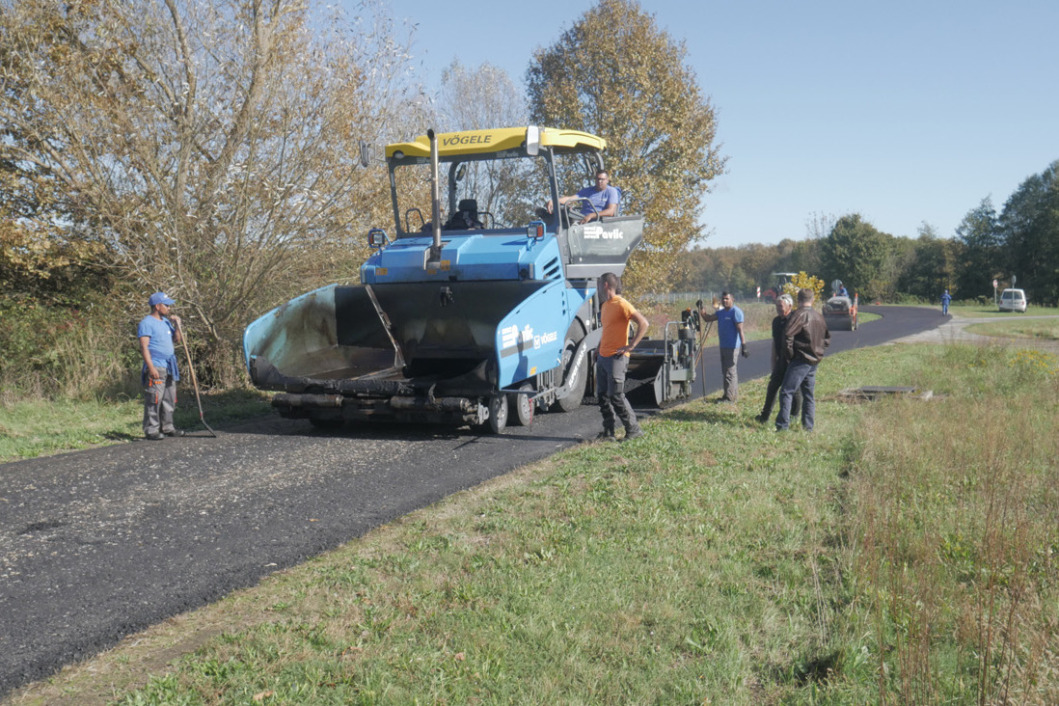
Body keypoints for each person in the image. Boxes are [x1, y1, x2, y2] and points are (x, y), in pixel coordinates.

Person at [595, 272, 648, 442]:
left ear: (605, 285)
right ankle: (608, 431)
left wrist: (631, 345)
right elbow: (607, 330)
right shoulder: (605, 306)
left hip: (617, 358)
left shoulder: (622, 304)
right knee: (602, 395)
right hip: (603, 357)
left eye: (598, 285)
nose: (597, 289)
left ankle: (633, 430)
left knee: (616, 395)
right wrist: (598, 348)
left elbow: (644, 323)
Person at [775, 288, 831, 432]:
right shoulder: (819, 316)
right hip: (814, 361)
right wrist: (818, 351)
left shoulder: (799, 315)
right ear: (812, 300)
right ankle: (808, 427)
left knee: (786, 391)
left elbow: (787, 335)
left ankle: (782, 426)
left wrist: (789, 355)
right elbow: (827, 339)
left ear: (798, 300)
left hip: (800, 360)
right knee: (808, 395)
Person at [137, 291, 185, 440]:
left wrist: (178, 326)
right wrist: (151, 368)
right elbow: (144, 347)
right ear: (157, 306)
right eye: (166, 305)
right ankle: (151, 430)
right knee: (154, 398)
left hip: (170, 366)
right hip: (156, 365)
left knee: (170, 398)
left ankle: (168, 427)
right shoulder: (146, 323)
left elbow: (177, 340)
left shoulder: (166, 322)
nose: (169, 308)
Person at [756, 293, 801, 424]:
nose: (778, 308)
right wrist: (773, 360)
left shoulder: (795, 320)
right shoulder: (776, 322)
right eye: (777, 306)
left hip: (793, 360)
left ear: (790, 306)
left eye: (780, 306)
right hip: (781, 360)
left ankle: (793, 416)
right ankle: (764, 416)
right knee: (772, 386)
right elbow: (775, 342)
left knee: (794, 389)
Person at [699, 292, 748, 402]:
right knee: (725, 372)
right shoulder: (720, 313)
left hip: (732, 346)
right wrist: (701, 309)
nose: (725, 301)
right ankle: (728, 395)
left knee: (730, 371)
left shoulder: (736, 312)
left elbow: (740, 330)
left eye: (727, 299)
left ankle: (730, 398)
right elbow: (708, 318)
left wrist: (744, 345)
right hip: (723, 345)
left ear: (732, 299)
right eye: (723, 299)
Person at [548, 169, 620, 224]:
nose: (599, 181)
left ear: (607, 180)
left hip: (598, 223)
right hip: (583, 220)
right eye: (598, 179)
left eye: (602, 179)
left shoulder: (611, 191)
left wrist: (591, 215)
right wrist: (554, 201)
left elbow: (611, 211)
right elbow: (571, 198)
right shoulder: (587, 191)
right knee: (564, 214)